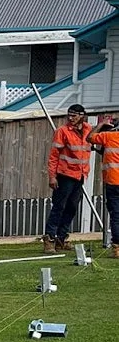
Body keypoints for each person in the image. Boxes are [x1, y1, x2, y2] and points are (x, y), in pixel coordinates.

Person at [43, 104, 94, 253]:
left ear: (82, 116)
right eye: (69, 115)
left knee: (71, 207)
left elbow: (96, 138)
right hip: (65, 175)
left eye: (74, 115)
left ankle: (61, 237)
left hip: (80, 175)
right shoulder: (62, 131)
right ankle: (49, 238)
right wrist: (52, 176)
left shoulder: (88, 130)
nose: (71, 118)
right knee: (59, 207)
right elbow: (54, 156)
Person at [91, 112, 119, 258]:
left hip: (113, 181)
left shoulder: (109, 136)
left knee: (116, 216)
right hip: (113, 181)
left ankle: (117, 248)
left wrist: (101, 125)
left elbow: (90, 138)